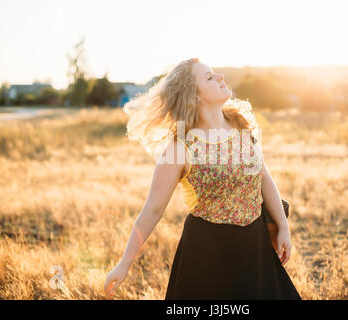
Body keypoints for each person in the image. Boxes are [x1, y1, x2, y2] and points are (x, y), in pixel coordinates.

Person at [104, 57, 301, 300]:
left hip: (255, 245)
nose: (220, 77)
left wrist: (282, 227)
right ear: (194, 95)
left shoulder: (239, 125)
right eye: (209, 77)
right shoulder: (180, 148)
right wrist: (125, 262)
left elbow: (264, 178)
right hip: (208, 255)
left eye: (215, 73)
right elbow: (153, 210)